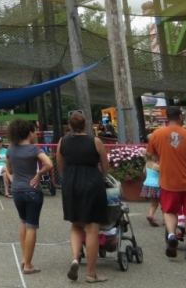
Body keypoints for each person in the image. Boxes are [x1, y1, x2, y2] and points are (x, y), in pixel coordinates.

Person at [147, 105, 186, 260]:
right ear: (181, 117)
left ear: (166, 118)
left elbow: (151, 155)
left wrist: (164, 161)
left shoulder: (157, 134)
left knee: (169, 211)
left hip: (168, 181)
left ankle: (171, 234)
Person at [57, 112, 110, 283]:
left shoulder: (62, 142)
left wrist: (67, 179)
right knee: (92, 228)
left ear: (69, 126)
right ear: (85, 124)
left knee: (76, 224)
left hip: (71, 182)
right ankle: (91, 273)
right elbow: (105, 164)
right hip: (91, 182)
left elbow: (60, 165)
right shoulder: (95, 141)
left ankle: (74, 258)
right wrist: (101, 179)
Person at [6, 119, 53, 275]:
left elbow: (9, 169)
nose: (35, 134)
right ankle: (28, 264)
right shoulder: (34, 149)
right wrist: (39, 174)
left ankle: (24, 257)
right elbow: (49, 164)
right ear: (29, 133)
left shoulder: (11, 149)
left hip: (17, 190)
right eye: (34, 132)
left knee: (23, 221)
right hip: (33, 190)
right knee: (32, 226)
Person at [141, 151, 161, 227]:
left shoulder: (146, 164)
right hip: (157, 186)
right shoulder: (156, 166)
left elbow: (144, 172)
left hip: (147, 185)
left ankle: (150, 215)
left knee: (154, 203)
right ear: (153, 156)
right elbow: (165, 172)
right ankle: (165, 219)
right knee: (163, 203)